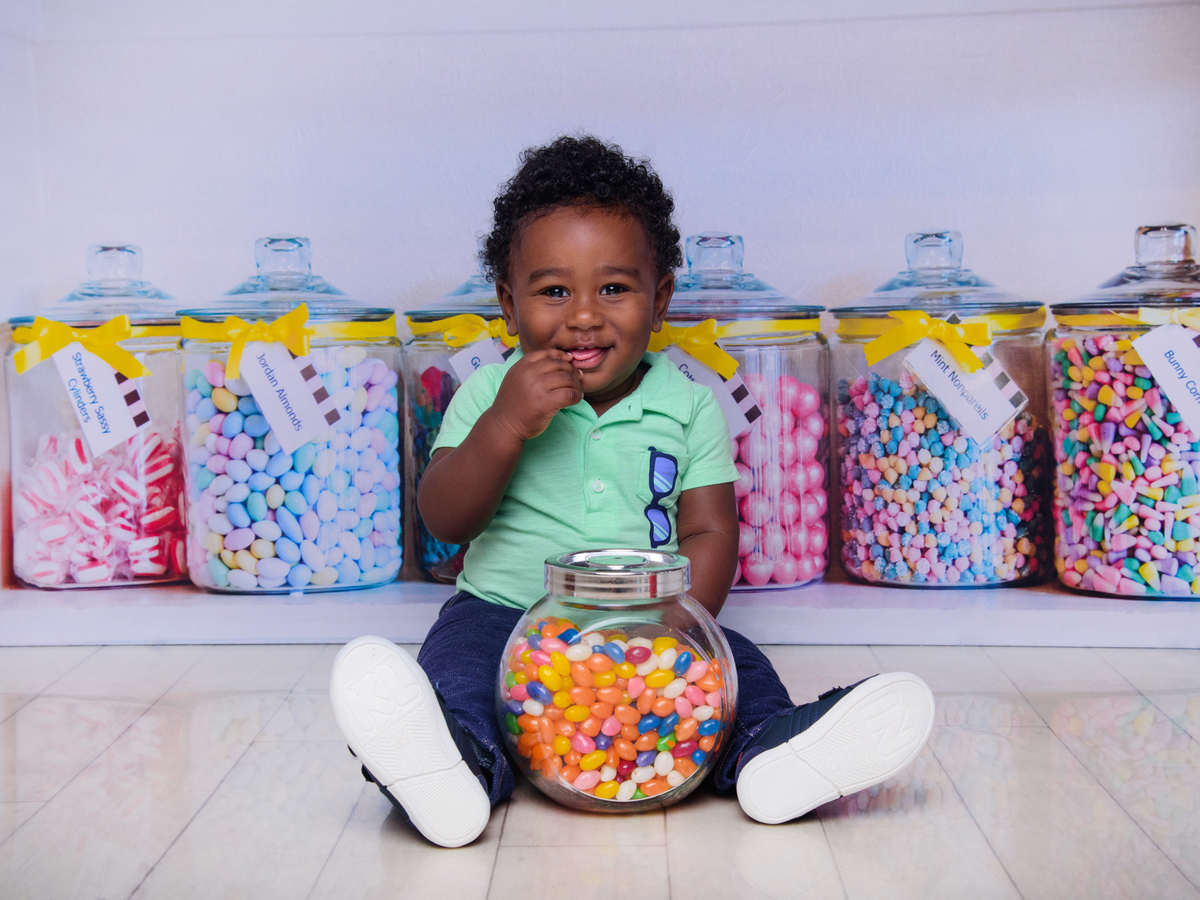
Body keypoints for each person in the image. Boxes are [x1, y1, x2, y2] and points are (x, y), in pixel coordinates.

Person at [330, 135, 935, 848]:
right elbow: (445, 518)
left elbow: (711, 533)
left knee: (740, 668)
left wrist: (677, 633)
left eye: (613, 288)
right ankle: (453, 769)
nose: (584, 315)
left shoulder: (687, 406)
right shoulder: (490, 392)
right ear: (508, 304)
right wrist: (504, 427)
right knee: (459, 675)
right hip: (498, 612)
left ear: (660, 302)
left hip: (648, 626)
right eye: (554, 291)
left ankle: (775, 756)